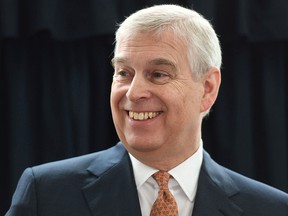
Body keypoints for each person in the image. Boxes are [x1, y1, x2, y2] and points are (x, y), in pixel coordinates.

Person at [5, 4, 288, 216]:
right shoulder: (47, 195)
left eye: (158, 74)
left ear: (208, 88)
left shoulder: (270, 209)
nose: (133, 92)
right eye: (124, 72)